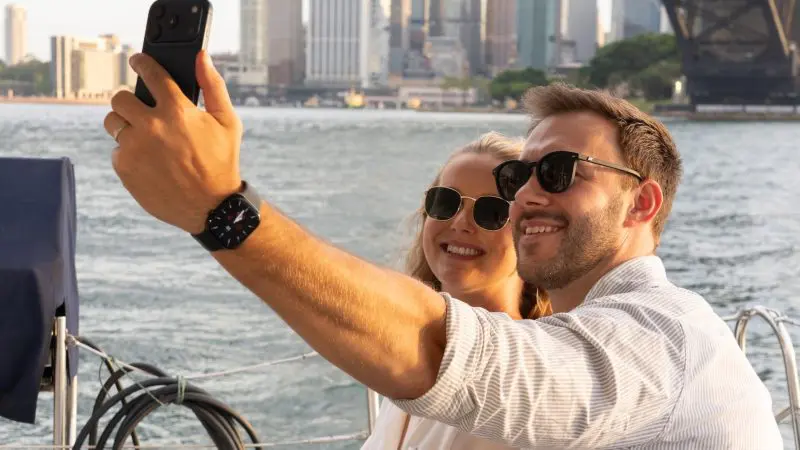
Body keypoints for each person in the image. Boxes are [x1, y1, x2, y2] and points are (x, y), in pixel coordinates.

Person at [103, 51, 782, 449]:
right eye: (519, 177)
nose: (525, 198)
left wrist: (221, 208)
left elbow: (451, 354)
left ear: (642, 203)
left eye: (560, 172)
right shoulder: (591, 342)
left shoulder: (666, 336)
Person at [362, 132, 551, 450]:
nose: (461, 222)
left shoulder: (526, 374)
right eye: (445, 202)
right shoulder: (416, 352)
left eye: (492, 211)